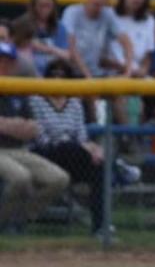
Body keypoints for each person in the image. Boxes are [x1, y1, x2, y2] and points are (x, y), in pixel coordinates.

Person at [27, 59, 140, 237]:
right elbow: (42, 139)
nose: (58, 78)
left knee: (98, 170)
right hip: (45, 154)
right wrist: (85, 147)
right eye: (53, 74)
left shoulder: (74, 103)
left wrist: (89, 149)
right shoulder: (36, 101)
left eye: (63, 75)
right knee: (69, 146)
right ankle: (117, 167)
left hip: (73, 156)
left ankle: (100, 227)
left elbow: (81, 135)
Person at [0, 43, 70, 233]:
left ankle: (21, 218)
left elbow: (33, 129)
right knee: (21, 178)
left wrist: (7, 125)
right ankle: (3, 222)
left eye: (7, 62)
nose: (3, 65)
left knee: (59, 178)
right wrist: (14, 125)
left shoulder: (18, 88)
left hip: (19, 149)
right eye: (0, 61)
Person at [62, 0, 133, 79]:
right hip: (71, 72)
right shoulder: (72, 12)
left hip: (96, 73)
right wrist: (89, 78)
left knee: (122, 91)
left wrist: (128, 71)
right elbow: (71, 48)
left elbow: (126, 42)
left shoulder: (108, 14)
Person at [20, 0, 70, 76]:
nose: (45, 10)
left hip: (52, 76)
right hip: (28, 76)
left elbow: (67, 55)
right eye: (41, 5)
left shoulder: (59, 27)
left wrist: (45, 48)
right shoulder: (23, 24)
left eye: (48, 6)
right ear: (34, 6)